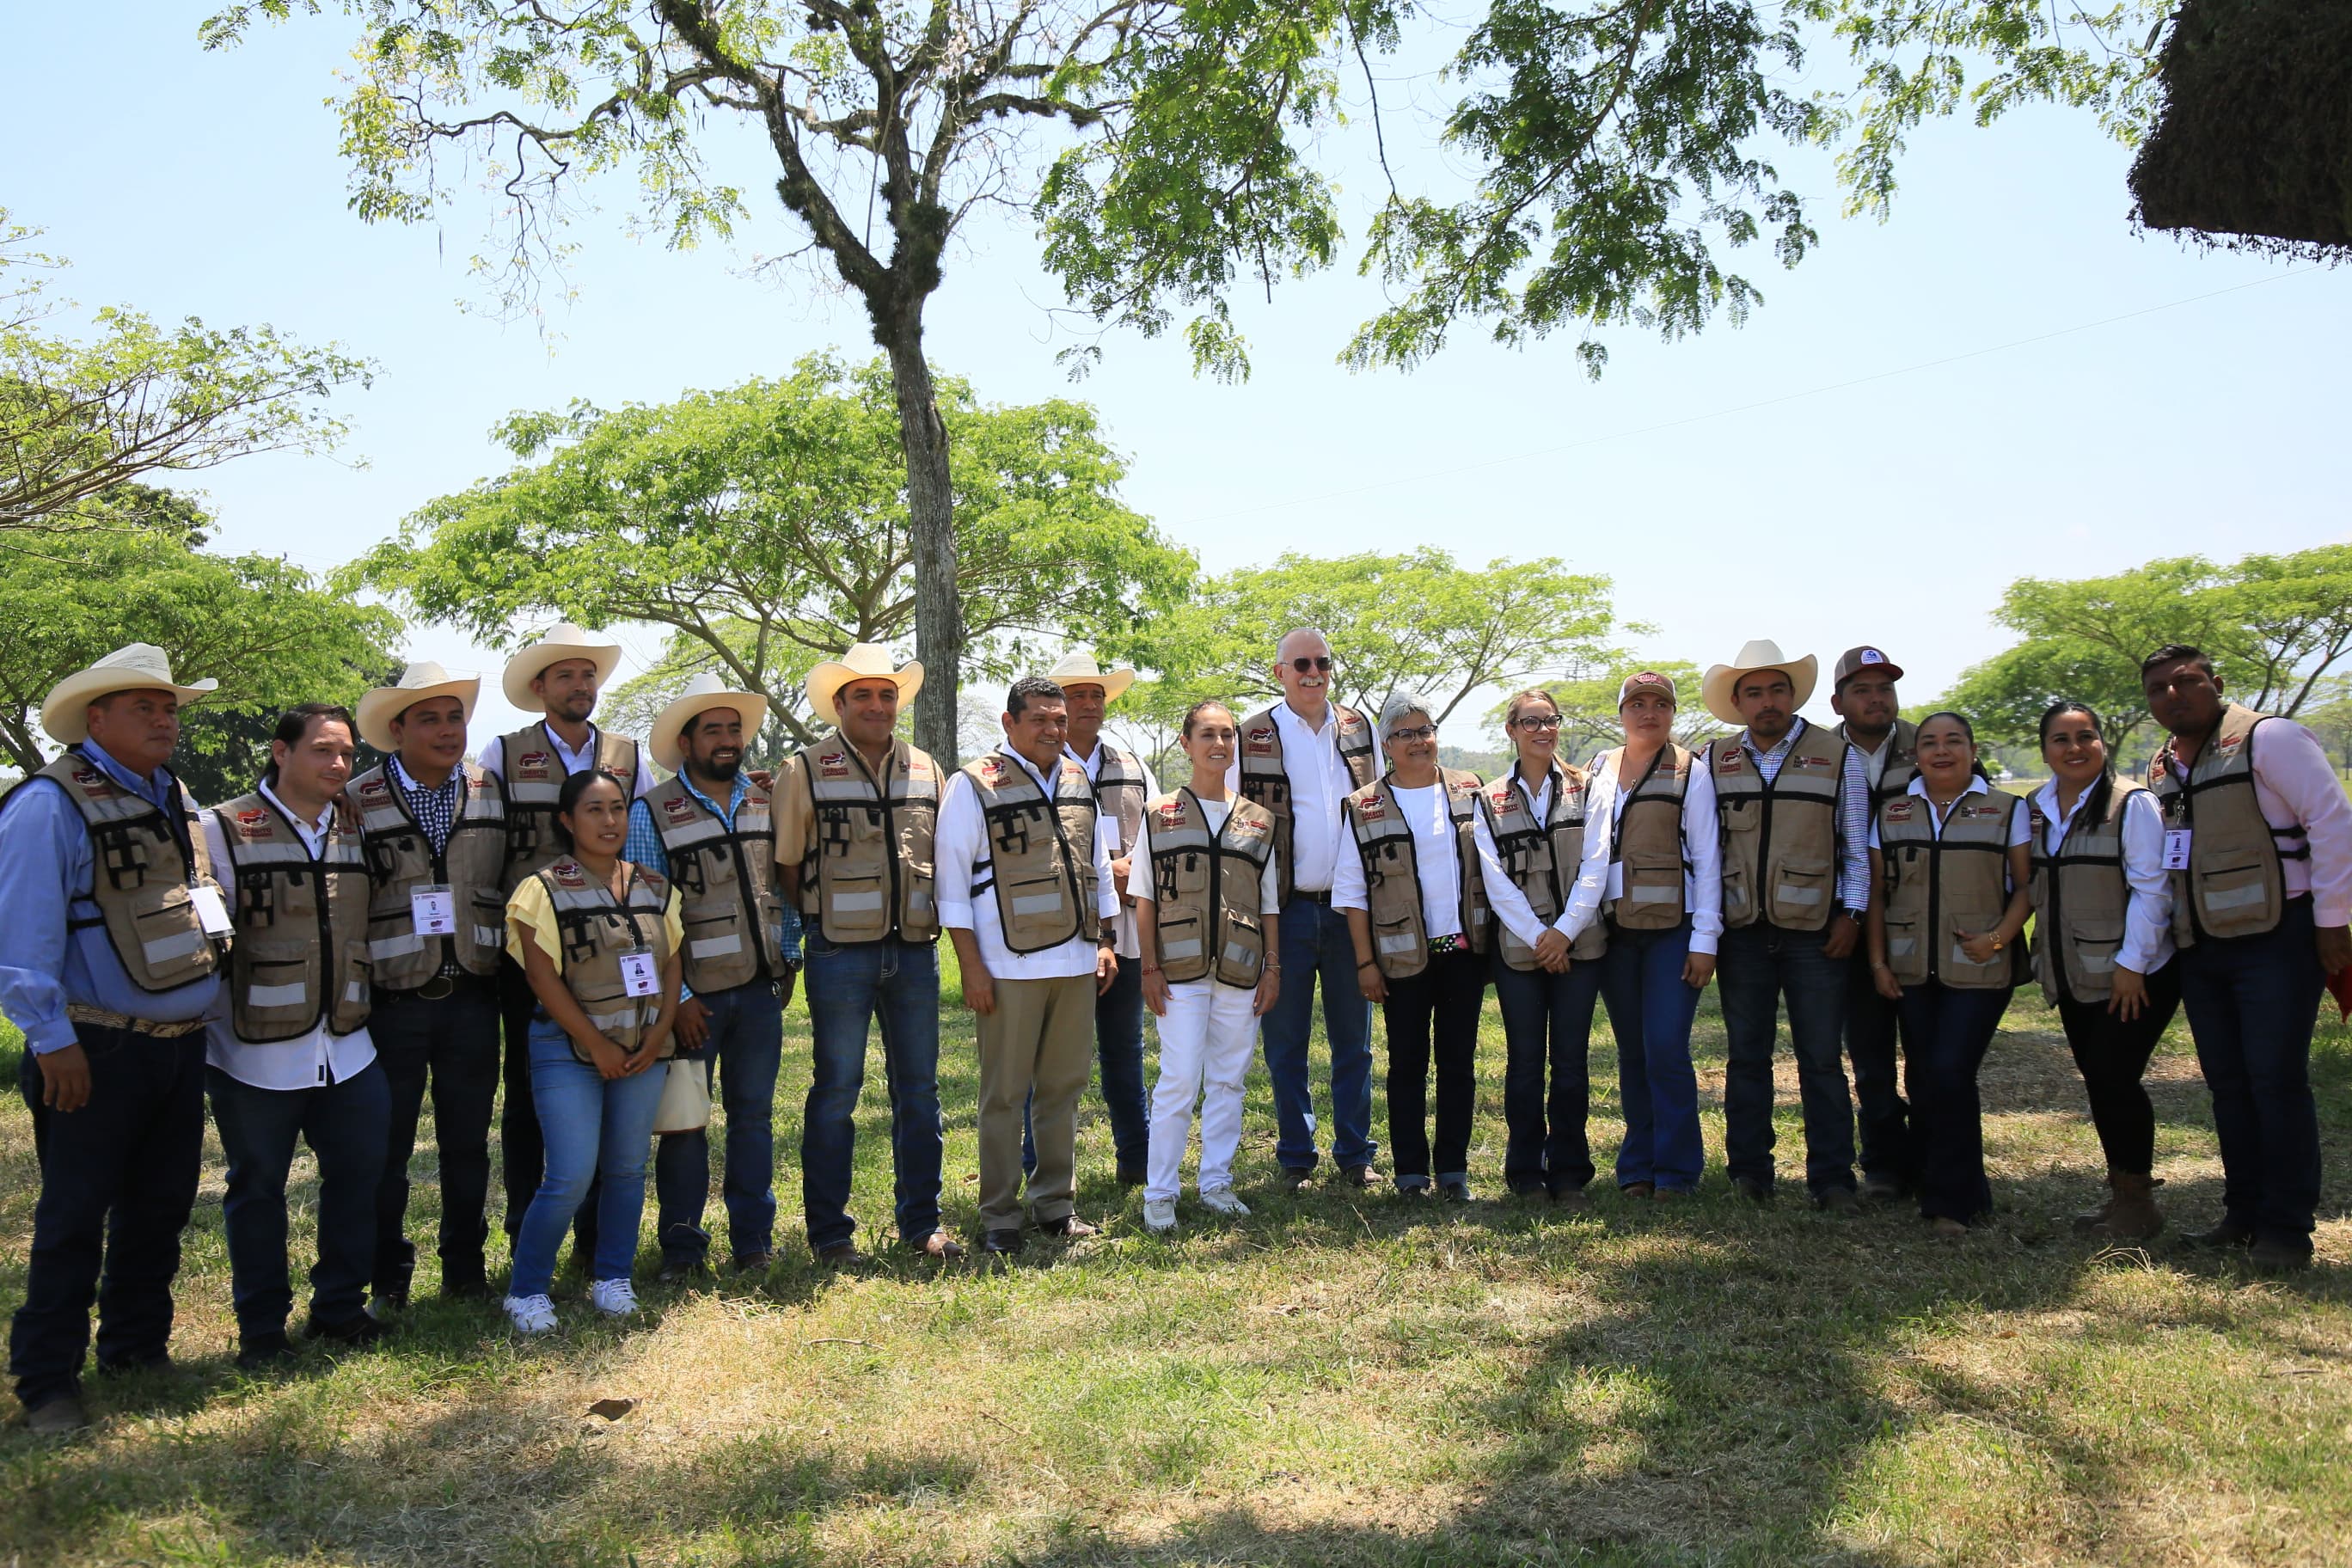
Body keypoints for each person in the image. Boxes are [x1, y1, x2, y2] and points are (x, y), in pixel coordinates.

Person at [0, 646, 228, 1435]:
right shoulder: (48, 804)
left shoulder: (175, 795)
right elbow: (19, 936)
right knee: (74, 1215)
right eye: (144, 708)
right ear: (94, 719)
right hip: (93, 1047)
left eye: (169, 708)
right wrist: (50, 1039)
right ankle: (47, 1383)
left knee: (160, 1206)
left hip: (178, 1044)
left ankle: (136, 1347)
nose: (165, 721)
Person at [2143, 644, 2352, 1272]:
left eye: (2186, 681)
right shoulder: (2163, 765)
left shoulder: (2271, 739)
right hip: (2203, 946)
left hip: (2277, 938)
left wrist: (2332, 922)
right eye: (2158, 688)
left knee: (2275, 1081)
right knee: (2228, 1086)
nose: (2173, 695)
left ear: (2216, 682)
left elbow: (2333, 823)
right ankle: (2243, 1214)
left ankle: (2286, 1230)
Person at [202, 705, 389, 1369]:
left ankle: (339, 1308)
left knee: (359, 1177)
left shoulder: (357, 824)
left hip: (348, 1046)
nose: (339, 764)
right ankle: (261, 1330)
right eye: (322, 750)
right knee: (258, 1189)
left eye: (347, 754)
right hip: (254, 1052)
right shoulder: (222, 828)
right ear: (281, 752)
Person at [773, 644, 959, 1262]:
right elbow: (788, 864)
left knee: (920, 1090)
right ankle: (830, 1234)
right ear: (839, 703)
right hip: (838, 953)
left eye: (887, 694)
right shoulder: (803, 769)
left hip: (915, 951)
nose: (877, 705)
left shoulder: (927, 769)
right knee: (836, 1091)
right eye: (863, 695)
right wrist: (825, 920)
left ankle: (923, 1223)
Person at [481, 624, 658, 1267]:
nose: (580, 686)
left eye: (588, 675)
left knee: (614, 1089)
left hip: (613, 950)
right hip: (534, 953)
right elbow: (483, 841)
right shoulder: (503, 753)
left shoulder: (628, 755)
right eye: (566, 676)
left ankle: (593, 1243)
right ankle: (526, 1232)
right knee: (529, 1092)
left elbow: (644, 840)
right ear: (539, 688)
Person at [936, 677, 1121, 1255]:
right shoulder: (973, 784)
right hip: (1007, 966)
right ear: (1009, 722)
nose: (1052, 729)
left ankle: (1055, 1205)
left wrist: (1105, 941)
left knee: (1063, 1088)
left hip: (1075, 960)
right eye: (1039, 719)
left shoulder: (1077, 778)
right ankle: (999, 1215)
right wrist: (972, 968)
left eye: (1059, 720)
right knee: (1004, 1095)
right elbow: (951, 885)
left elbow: (1098, 865)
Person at [625, 674, 800, 1279]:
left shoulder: (764, 801)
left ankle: (754, 1241)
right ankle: (682, 1248)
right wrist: (676, 998)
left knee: (753, 1119)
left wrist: (790, 956)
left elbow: (783, 885)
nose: (727, 741)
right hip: (693, 1000)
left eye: (734, 730)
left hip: (758, 992)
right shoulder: (651, 813)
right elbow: (644, 916)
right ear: (685, 742)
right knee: (684, 1124)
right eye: (713, 731)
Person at [350, 663, 508, 1311]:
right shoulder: (356, 799)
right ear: (396, 730)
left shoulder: (491, 789)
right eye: (429, 719)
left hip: (473, 996)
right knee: (385, 1150)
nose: (447, 731)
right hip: (394, 1002)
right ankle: (388, 1275)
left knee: (467, 1145)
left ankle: (465, 1270)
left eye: (455, 717)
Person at [502, 770, 683, 1332]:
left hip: (642, 1048)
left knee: (627, 1168)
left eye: (617, 809)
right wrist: (595, 1043)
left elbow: (673, 962)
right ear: (567, 820)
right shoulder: (541, 889)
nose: (609, 821)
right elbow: (541, 977)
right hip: (568, 1049)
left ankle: (613, 1277)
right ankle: (526, 1290)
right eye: (594, 810)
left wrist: (659, 1033)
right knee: (571, 1174)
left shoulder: (655, 885)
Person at [1700, 640, 1869, 1210]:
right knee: (1747, 1057)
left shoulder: (1838, 755)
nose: (1767, 701)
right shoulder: (1714, 760)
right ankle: (1749, 1174)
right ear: (1738, 702)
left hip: (1816, 931)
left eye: (1777, 690)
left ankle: (1833, 1179)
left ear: (1793, 696)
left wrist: (1852, 915)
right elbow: (1703, 848)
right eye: (1754, 692)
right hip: (1742, 931)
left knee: (1820, 1059)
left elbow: (1856, 847)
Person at [1865, 712, 2031, 1238]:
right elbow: (1877, 893)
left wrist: (1997, 938)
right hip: (1911, 967)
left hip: (1980, 966)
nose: (1941, 751)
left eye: (1953, 741)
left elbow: (2027, 887)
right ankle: (1955, 1185)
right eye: (1930, 743)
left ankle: (1951, 1205)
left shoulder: (2007, 810)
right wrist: (1878, 962)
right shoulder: (1892, 812)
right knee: (1923, 1075)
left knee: (1951, 1072)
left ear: (1972, 750)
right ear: (1916, 756)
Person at [1232, 628, 1384, 1191]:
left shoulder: (1359, 728)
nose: (1313, 672)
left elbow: (1378, 803)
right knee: (1285, 1044)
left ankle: (1355, 1153)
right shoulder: (1252, 735)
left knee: (1355, 1044)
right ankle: (1296, 1154)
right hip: (1284, 911)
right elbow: (1234, 819)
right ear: (1280, 673)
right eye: (1301, 664)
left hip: (1350, 911)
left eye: (1322, 662)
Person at [1563, 671, 1721, 1200]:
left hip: (1673, 928)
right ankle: (1637, 1167)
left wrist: (1705, 940)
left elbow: (1708, 859)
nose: (1648, 713)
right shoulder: (1598, 767)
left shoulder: (1691, 771)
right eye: (1637, 703)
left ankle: (1677, 1170)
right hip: (1615, 929)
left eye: (1660, 704)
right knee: (1632, 1050)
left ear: (1672, 712)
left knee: (1666, 1047)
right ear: (1621, 712)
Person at [2027, 700, 2179, 1240]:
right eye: (2061, 739)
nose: (2075, 748)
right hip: (2073, 971)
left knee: (2115, 1077)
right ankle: (2122, 1193)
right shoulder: (2037, 806)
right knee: (2100, 1079)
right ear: (2045, 749)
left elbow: (2153, 888)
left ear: (2102, 742)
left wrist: (2132, 966)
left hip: (2133, 975)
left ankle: (2139, 1205)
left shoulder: (2131, 803)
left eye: (2085, 736)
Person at [1133, 701, 1282, 1233]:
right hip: (1179, 971)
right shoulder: (1159, 813)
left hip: (1241, 970)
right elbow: (1144, 897)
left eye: (1227, 735)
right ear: (1186, 743)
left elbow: (1269, 902)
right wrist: (1149, 967)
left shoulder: (1259, 820)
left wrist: (1272, 967)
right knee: (1178, 1079)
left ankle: (1216, 1182)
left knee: (1228, 1080)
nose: (1219, 744)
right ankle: (1160, 1192)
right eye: (1208, 735)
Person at [1337, 694, 1490, 1201]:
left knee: (1457, 1062)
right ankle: (1410, 1173)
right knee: (1406, 1064)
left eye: (1425, 730)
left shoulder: (1471, 791)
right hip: (1400, 957)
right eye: (1405, 734)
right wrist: (1365, 962)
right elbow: (1352, 891)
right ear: (1386, 746)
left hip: (1462, 951)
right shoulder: (1364, 805)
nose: (1418, 741)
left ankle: (1453, 1170)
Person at [1470, 689, 1605, 1207]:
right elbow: (1494, 878)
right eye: (1531, 722)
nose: (1543, 730)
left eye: (1551, 720)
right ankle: (1525, 1172)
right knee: (1525, 1063)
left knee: (1570, 1063)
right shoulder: (1489, 799)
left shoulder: (1587, 788)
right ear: (1512, 731)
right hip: (1519, 952)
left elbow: (1597, 862)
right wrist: (1539, 937)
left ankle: (1569, 1172)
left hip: (1580, 946)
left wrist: (1564, 932)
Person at [1026, 652, 1156, 1187]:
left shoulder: (1131, 765)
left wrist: (1133, 871)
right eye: (1076, 695)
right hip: (1059, 934)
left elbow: (1161, 831)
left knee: (1125, 1048)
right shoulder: (1031, 766)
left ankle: (1137, 1160)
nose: (1087, 704)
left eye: (1095, 695)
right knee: (1049, 1058)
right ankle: (1040, 1167)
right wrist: (1106, 869)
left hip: (1124, 933)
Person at [1830, 646, 1920, 1202]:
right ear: (1838, 702)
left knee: (1931, 1055)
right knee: (1869, 1055)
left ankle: (1935, 1160)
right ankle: (1884, 1165)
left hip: (1922, 921)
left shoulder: (1929, 743)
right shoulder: (1818, 753)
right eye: (1862, 690)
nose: (1876, 699)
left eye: (1884, 688)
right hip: (1851, 925)